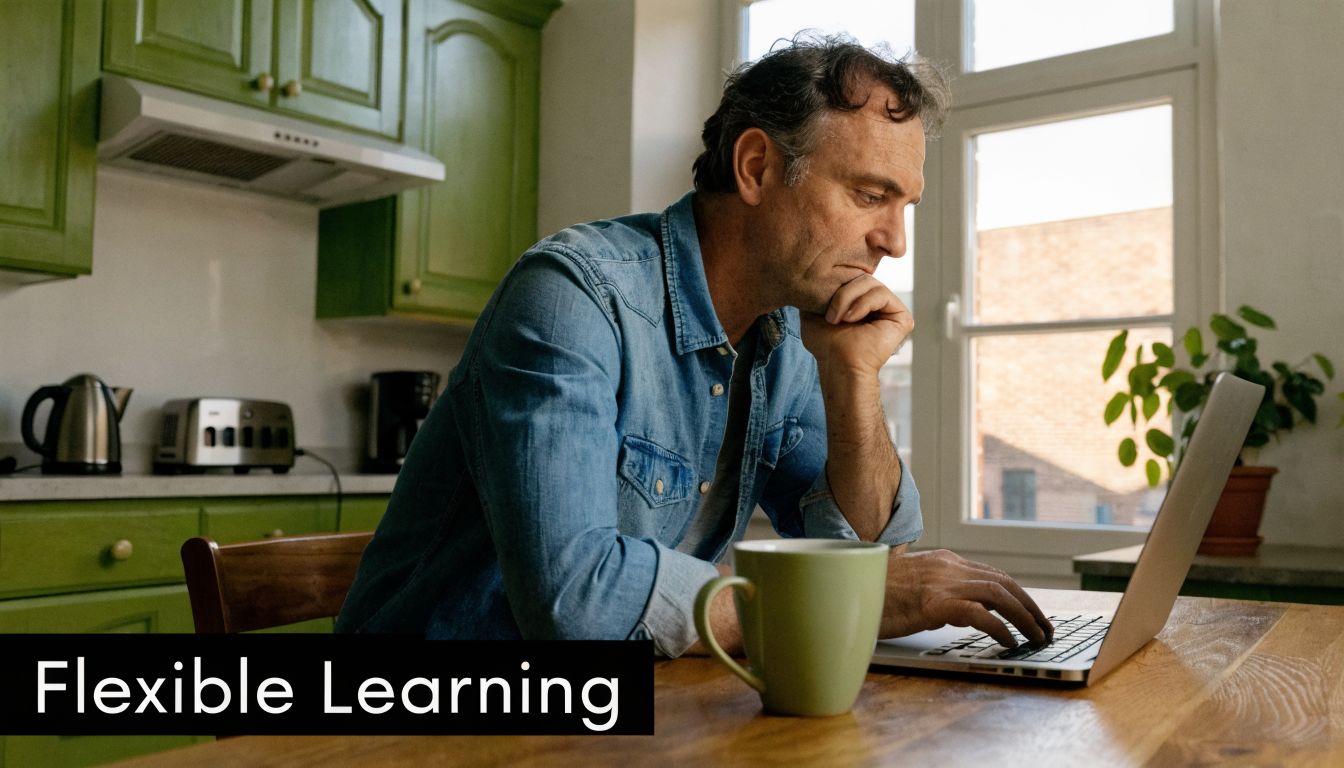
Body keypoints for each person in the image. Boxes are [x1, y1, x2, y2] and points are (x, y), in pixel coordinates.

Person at [337, 35, 1054, 655]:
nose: (894, 243)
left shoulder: (790, 334)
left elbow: (867, 557)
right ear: (755, 168)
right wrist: (831, 601)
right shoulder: (574, 295)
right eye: (871, 196)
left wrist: (852, 379)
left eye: (905, 207)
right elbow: (573, 601)